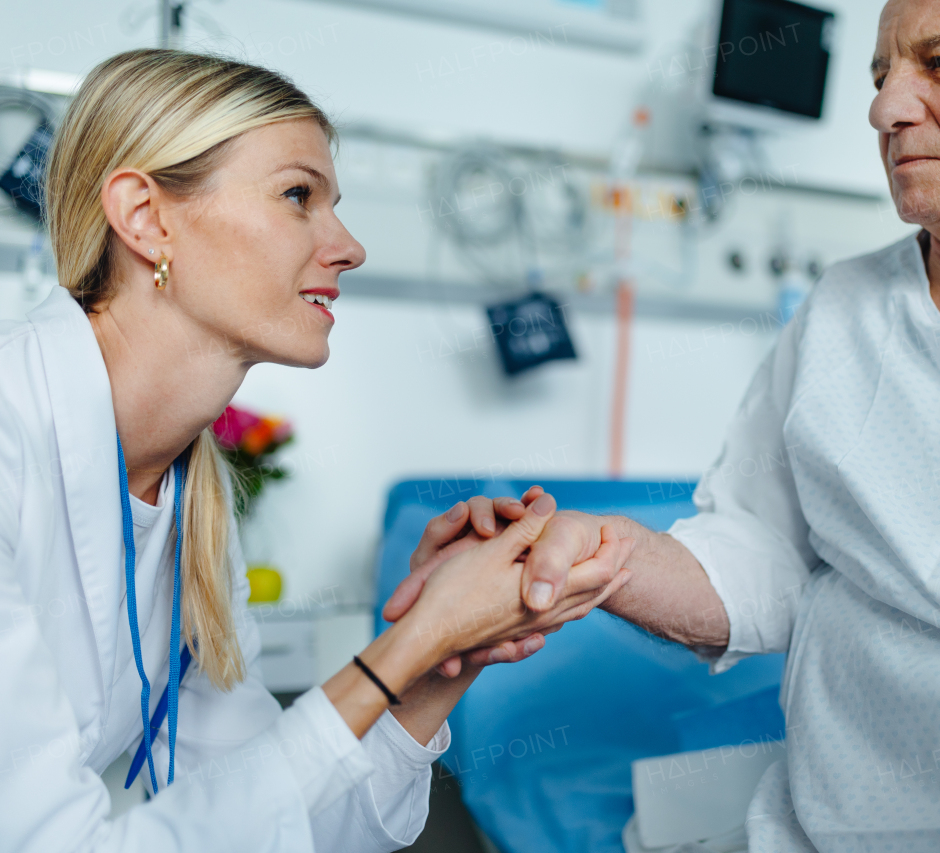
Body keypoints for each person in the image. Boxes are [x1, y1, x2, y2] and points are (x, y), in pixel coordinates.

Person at [385, 0, 940, 849]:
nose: (887, 105)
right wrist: (603, 550)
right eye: (882, 72)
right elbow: (757, 556)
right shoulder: (844, 307)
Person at [0, 49, 632, 853]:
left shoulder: (192, 497)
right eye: (299, 195)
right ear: (147, 217)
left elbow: (278, 819)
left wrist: (441, 660)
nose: (350, 247)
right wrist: (414, 637)